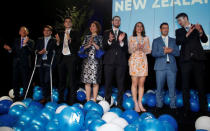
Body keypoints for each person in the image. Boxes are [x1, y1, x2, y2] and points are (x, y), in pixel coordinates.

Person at [175, 13, 208, 113]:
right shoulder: (179, 31)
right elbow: (178, 42)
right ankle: (186, 109)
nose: (179, 23)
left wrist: (200, 31)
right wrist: (188, 32)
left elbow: (205, 40)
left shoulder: (198, 27)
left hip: (198, 60)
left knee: (201, 85)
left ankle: (204, 109)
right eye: (178, 22)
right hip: (185, 61)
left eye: (180, 20)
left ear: (185, 18)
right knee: (185, 86)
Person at [152, 23, 180, 110]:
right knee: (159, 88)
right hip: (160, 67)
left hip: (171, 67)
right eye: (164, 28)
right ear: (160, 29)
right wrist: (164, 52)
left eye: (167, 28)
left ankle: (173, 106)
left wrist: (170, 51)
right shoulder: (156, 40)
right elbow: (153, 53)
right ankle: (159, 105)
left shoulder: (174, 40)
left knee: (172, 88)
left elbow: (178, 53)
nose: (165, 29)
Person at [103, 16, 128, 108]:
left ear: (120, 22)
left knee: (120, 85)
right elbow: (104, 47)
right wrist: (109, 40)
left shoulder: (124, 34)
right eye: (115, 20)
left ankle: (120, 104)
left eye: (119, 20)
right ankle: (107, 104)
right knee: (108, 83)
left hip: (121, 63)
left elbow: (126, 49)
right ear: (112, 21)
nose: (117, 21)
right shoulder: (106, 32)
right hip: (109, 62)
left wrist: (121, 42)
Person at [3, 26, 35, 101]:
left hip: (25, 64)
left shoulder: (31, 41)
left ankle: (27, 96)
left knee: (25, 81)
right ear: (19, 32)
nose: (23, 31)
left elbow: (31, 52)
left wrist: (25, 44)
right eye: (21, 30)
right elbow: (14, 51)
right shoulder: (16, 40)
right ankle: (16, 96)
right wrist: (10, 49)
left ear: (27, 32)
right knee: (15, 80)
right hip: (16, 64)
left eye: (25, 31)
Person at [55, 17, 81, 105]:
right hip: (62, 58)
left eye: (69, 22)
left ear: (71, 24)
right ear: (64, 24)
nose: (68, 23)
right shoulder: (60, 34)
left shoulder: (75, 33)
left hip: (71, 58)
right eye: (66, 21)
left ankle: (72, 100)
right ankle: (61, 99)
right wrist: (58, 42)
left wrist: (70, 39)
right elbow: (57, 47)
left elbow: (77, 45)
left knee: (72, 80)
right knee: (61, 80)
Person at [128, 22, 151, 112]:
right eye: (137, 26)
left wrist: (143, 48)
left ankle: (140, 102)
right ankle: (135, 103)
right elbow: (129, 50)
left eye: (141, 26)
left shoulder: (146, 38)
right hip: (134, 61)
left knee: (141, 84)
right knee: (134, 83)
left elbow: (148, 50)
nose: (139, 27)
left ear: (143, 28)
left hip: (143, 62)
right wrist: (135, 47)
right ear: (135, 28)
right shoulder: (131, 38)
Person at [80, 21, 103, 102]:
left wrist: (93, 43)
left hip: (96, 62)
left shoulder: (100, 38)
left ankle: (95, 100)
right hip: (87, 62)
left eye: (93, 26)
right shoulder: (86, 37)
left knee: (95, 82)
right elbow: (81, 49)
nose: (91, 27)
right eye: (91, 26)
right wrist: (88, 45)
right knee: (87, 82)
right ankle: (88, 99)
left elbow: (101, 50)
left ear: (97, 28)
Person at [35, 25, 57, 102]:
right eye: (45, 30)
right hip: (41, 61)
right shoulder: (39, 39)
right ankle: (44, 96)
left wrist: (46, 52)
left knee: (47, 80)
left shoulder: (54, 40)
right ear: (43, 31)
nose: (46, 32)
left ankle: (48, 96)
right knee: (41, 80)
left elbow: (55, 50)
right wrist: (39, 52)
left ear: (51, 32)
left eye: (48, 30)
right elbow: (36, 50)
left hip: (49, 62)